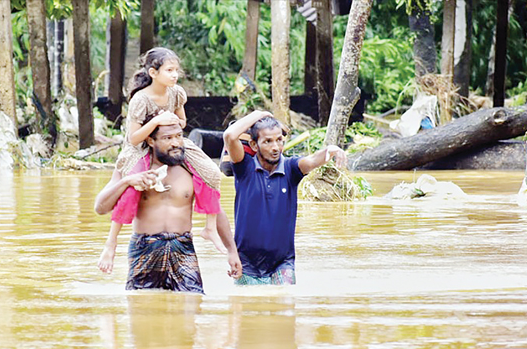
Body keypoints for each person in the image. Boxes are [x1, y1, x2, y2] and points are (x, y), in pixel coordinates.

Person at [98, 47, 226, 275]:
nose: (174, 74)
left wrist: (172, 125)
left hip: (173, 140)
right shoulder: (141, 99)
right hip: (140, 145)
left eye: (176, 70)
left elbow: (183, 122)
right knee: (132, 185)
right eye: (169, 70)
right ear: (153, 72)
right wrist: (157, 122)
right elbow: (133, 137)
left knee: (212, 173)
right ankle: (111, 241)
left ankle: (210, 227)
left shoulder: (176, 92)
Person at [94, 120, 242, 293]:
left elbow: (216, 209)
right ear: (151, 141)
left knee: (193, 301)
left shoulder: (193, 169)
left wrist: (232, 251)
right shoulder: (134, 168)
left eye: (179, 136)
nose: (176, 143)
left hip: (182, 246)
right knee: (141, 306)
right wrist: (127, 181)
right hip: (145, 246)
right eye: (167, 138)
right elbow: (100, 208)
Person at [222, 110, 347, 285]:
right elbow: (229, 135)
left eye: (279, 140)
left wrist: (330, 150)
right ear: (254, 144)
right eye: (267, 141)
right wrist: (259, 114)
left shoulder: (291, 168)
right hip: (246, 264)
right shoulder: (244, 168)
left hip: (282, 263)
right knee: (248, 309)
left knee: (285, 306)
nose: (275, 147)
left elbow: (311, 161)